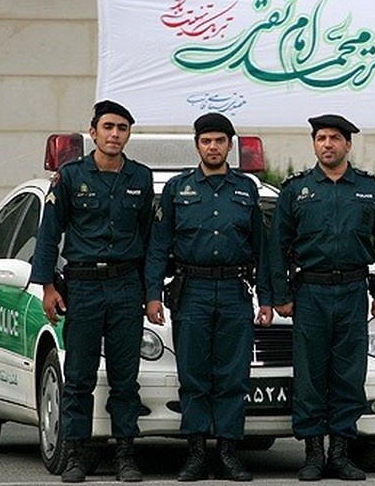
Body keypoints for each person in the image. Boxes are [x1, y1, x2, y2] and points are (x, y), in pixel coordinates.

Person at [267, 114, 375, 481]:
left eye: (335, 138)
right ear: (314, 144)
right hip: (310, 293)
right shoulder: (297, 190)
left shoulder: (370, 190)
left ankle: (340, 453)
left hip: (353, 292)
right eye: (321, 138)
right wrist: (280, 294)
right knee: (309, 375)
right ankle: (312, 455)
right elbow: (276, 247)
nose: (328, 144)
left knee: (348, 374)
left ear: (348, 145)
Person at [144, 113, 273, 481]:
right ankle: (197, 454)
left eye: (219, 141)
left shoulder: (247, 189)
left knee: (233, 376)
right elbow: (158, 247)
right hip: (192, 291)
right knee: (194, 376)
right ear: (197, 145)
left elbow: (262, 250)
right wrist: (153, 295)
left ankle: (229, 453)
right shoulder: (177, 188)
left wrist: (265, 299)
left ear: (229, 145)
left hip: (234, 291)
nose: (213, 147)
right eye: (206, 141)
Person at [30, 100, 153, 483]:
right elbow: (50, 235)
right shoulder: (69, 177)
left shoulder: (141, 178)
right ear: (93, 131)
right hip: (82, 286)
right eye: (109, 127)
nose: (115, 134)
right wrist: (48, 286)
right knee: (79, 376)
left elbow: (149, 240)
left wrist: (150, 294)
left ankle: (125, 454)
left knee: (124, 377)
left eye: (122, 128)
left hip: (125, 286)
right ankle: (78, 455)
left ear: (128, 134)